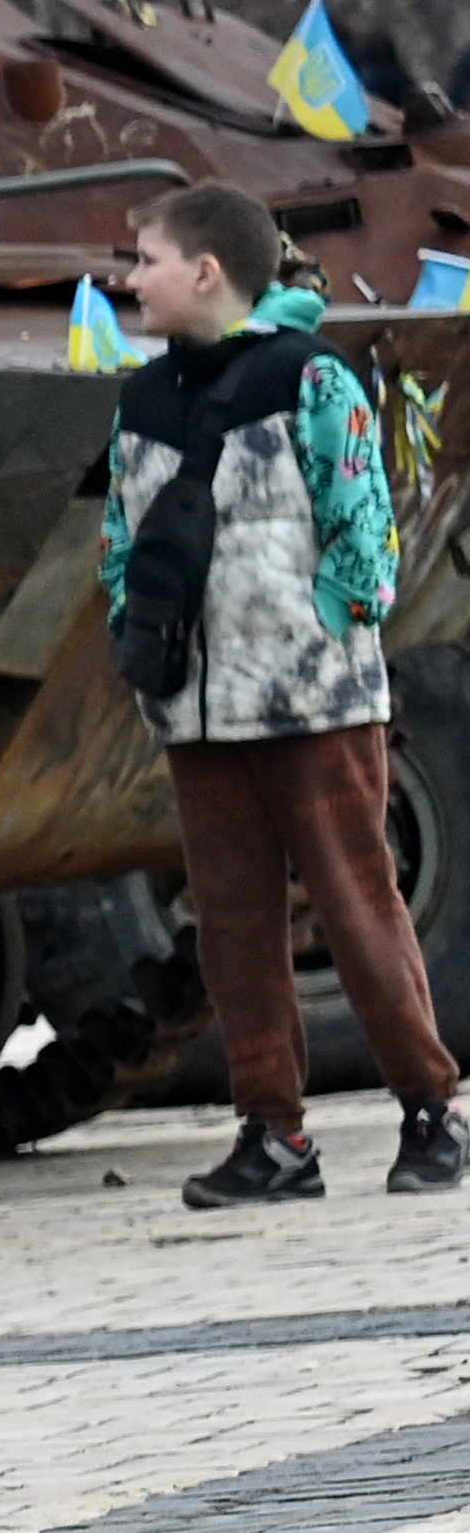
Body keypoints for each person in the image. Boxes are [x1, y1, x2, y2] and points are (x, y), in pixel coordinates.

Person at [103, 181, 462, 1207]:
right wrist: (135, 627)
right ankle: (273, 1136)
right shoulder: (142, 398)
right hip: (198, 708)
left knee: (356, 904)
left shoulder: (311, 379)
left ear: (207, 271)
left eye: (147, 260)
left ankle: (430, 1112)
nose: (132, 281)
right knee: (233, 929)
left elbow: (366, 529)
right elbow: (121, 534)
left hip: (312, 703)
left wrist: (323, 630)